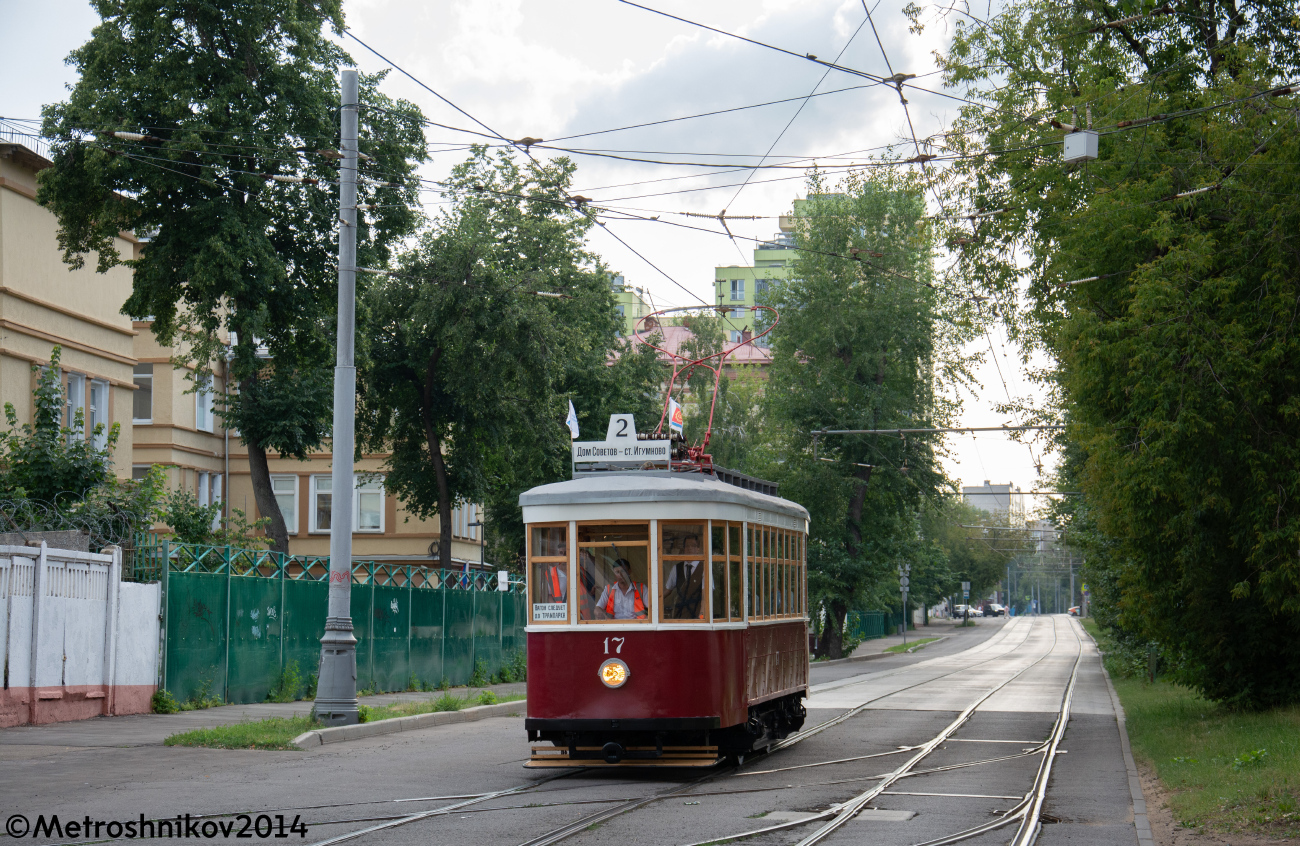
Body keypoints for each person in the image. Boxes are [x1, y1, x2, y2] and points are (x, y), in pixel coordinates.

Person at [663, 535, 704, 619]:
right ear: (684, 549)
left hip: (697, 617)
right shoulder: (676, 568)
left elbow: (706, 596)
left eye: (693, 545)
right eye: (687, 546)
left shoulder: (705, 569)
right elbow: (667, 590)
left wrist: (702, 615)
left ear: (698, 549)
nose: (689, 548)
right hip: (679, 616)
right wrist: (652, 602)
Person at [537, 537, 568, 602]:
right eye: (561, 553)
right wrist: (557, 610)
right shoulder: (552, 573)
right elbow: (548, 595)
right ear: (558, 555)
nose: (563, 555)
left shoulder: (575, 571)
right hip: (560, 609)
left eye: (565, 553)